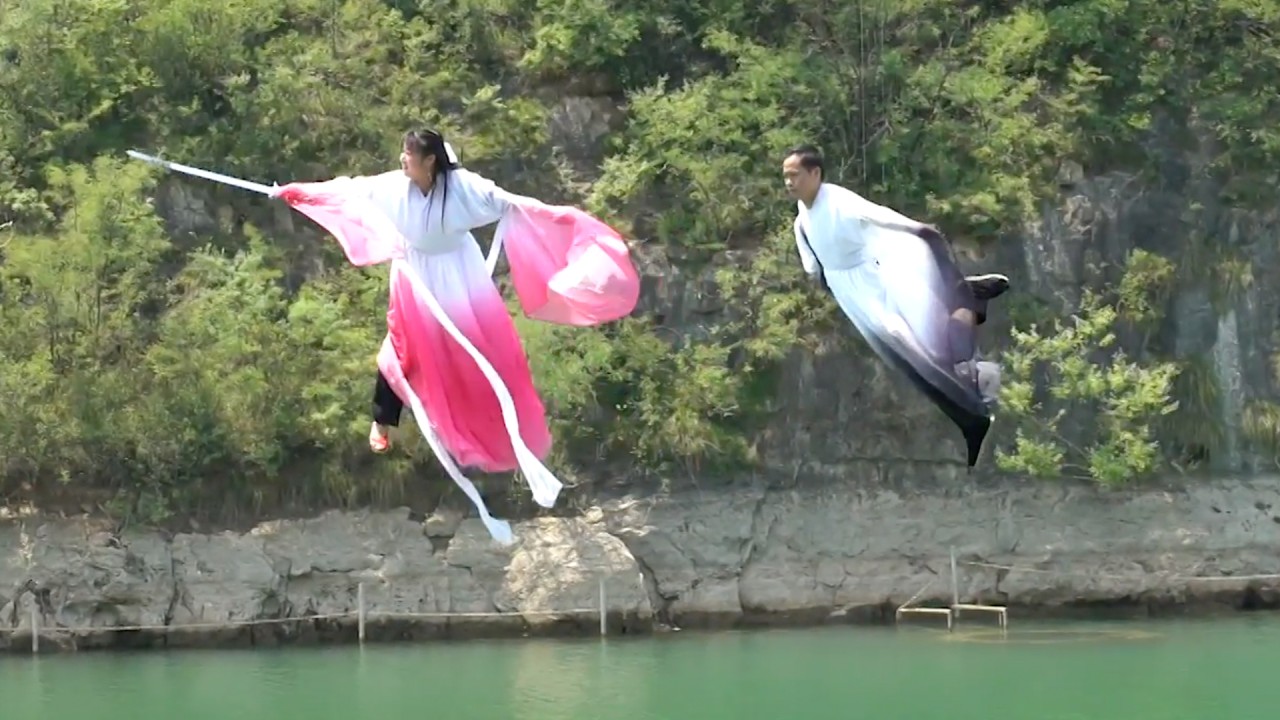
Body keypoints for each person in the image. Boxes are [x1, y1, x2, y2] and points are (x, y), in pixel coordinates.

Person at [269, 128, 640, 541]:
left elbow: (511, 203)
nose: (401, 159)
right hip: (415, 275)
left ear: (430, 161)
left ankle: (503, 434)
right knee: (400, 350)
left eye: (408, 155)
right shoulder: (394, 187)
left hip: (461, 277)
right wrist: (294, 192)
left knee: (482, 356)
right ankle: (382, 421)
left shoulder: (465, 188)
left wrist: (564, 218)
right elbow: (347, 191)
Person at [780, 143, 1006, 465]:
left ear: (815, 173)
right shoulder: (801, 221)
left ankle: (972, 399)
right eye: (785, 177)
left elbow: (878, 216)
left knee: (910, 340)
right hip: (849, 291)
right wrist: (828, 285)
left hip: (874, 276)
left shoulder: (839, 201)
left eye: (795, 175)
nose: (789, 182)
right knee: (902, 354)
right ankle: (969, 398)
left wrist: (919, 230)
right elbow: (812, 267)